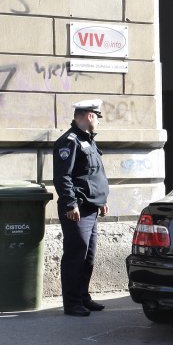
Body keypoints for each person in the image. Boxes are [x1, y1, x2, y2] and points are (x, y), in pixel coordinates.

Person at [53, 99, 110, 317]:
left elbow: (94, 174)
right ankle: (72, 302)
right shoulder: (69, 141)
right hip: (77, 209)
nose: (98, 121)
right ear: (89, 115)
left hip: (91, 207)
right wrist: (70, 203)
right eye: (97, 116)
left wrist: (102, 200)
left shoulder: (89, 141)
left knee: (88, 256)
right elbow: (63, 177)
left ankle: (83, 297)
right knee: (75, 255)